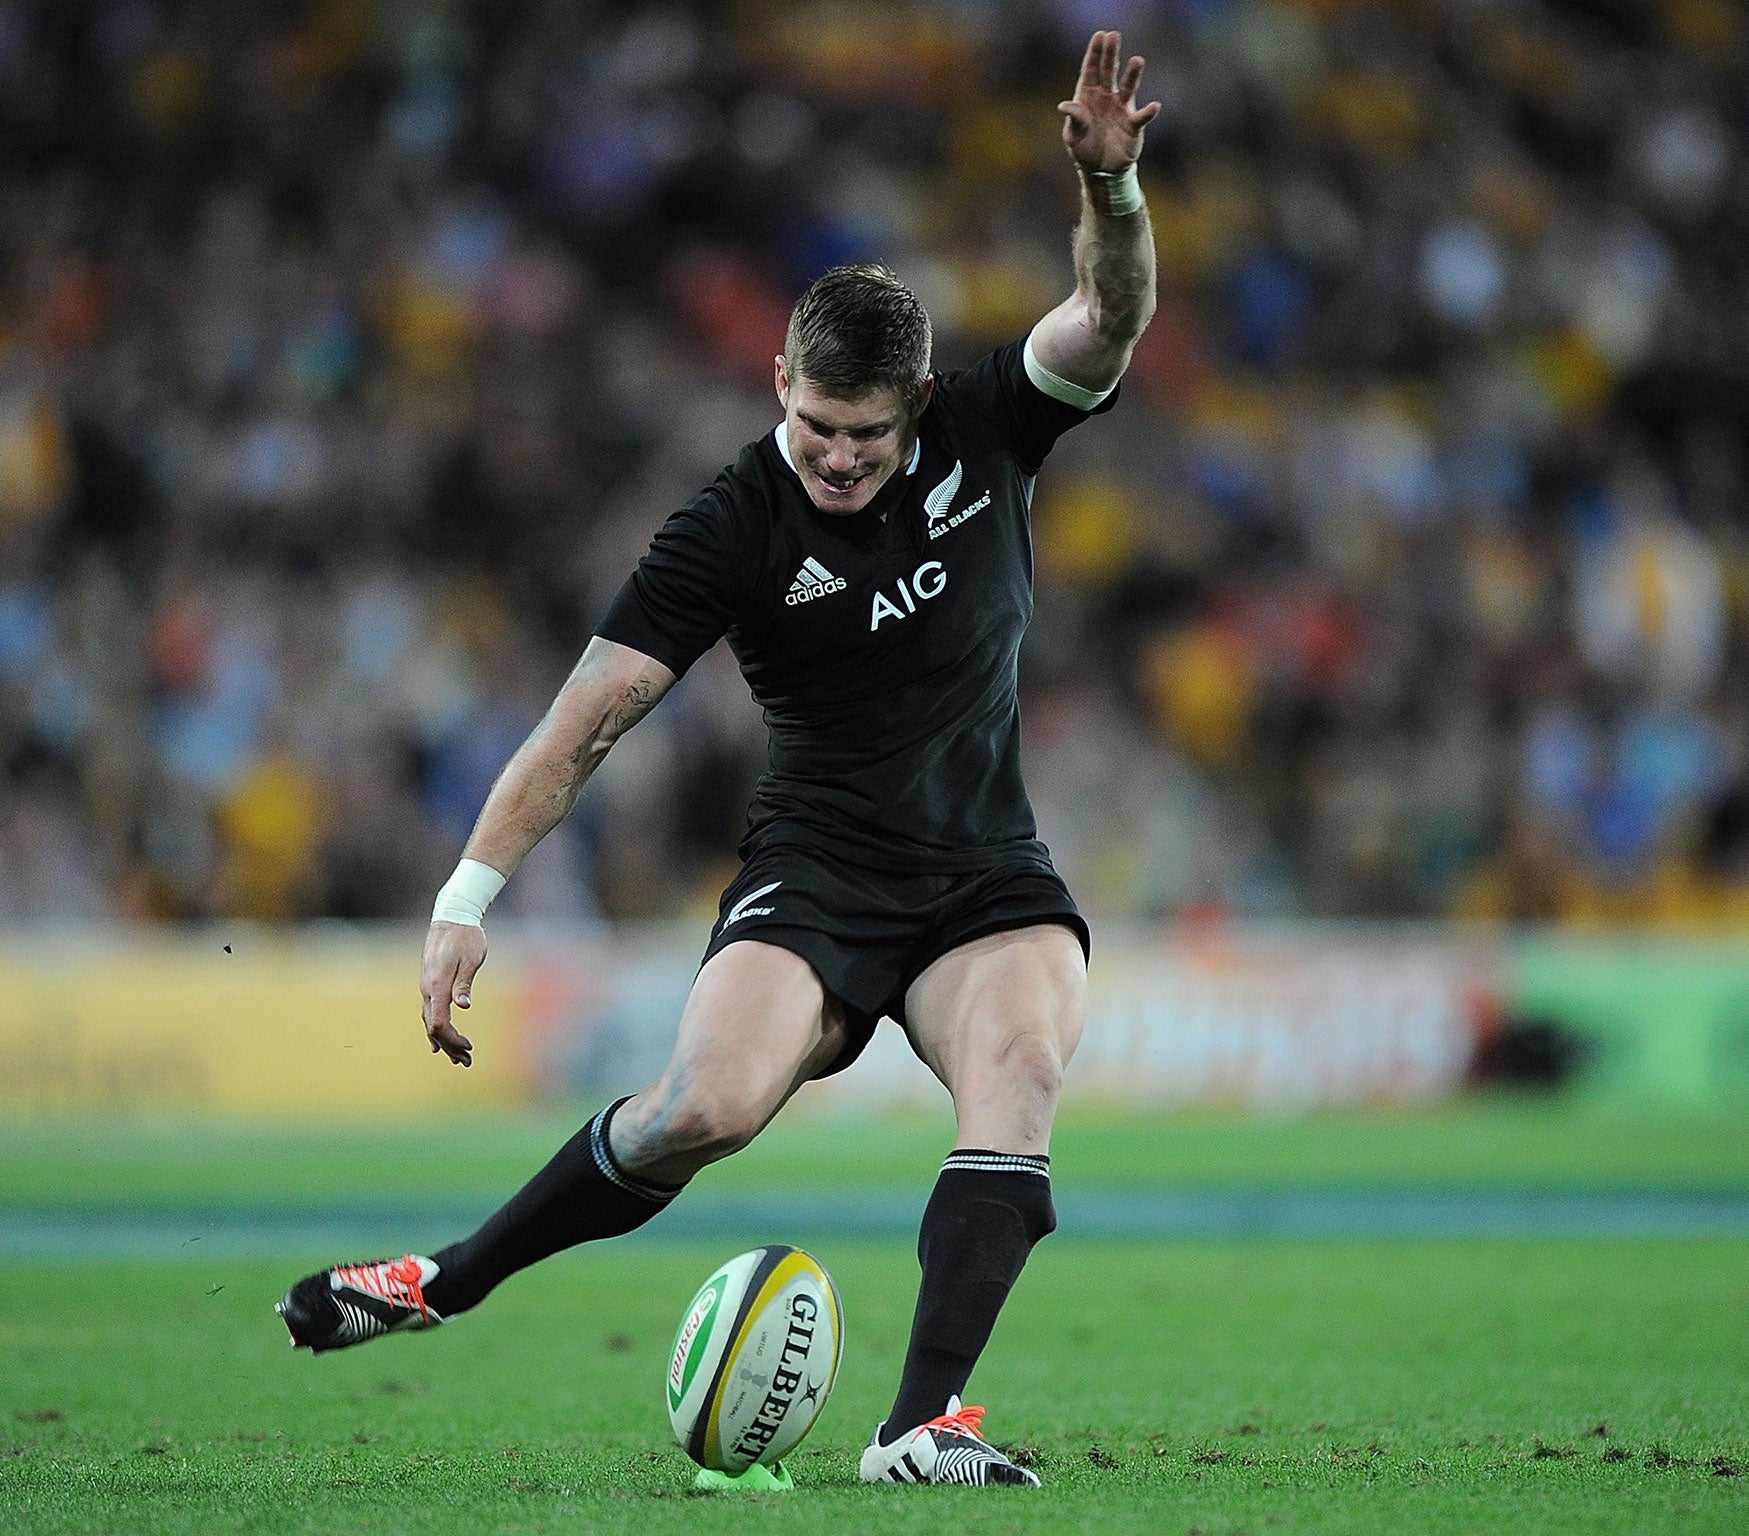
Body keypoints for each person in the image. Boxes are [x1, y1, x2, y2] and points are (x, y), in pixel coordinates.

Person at [276, 30, 1159, 1490]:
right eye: (811, 423)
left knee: (1019, 1072)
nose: (833, 457)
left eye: (864, 435)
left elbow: (1109, 321)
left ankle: (917, 1428)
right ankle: (442, 1279)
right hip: (815, 872)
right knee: (706, 1106)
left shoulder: (996, 423)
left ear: (919, 406)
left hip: (986, 871)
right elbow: (584, 724)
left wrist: (1112, 193)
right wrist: (465, 900)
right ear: (777, 383)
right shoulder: (730, 526)